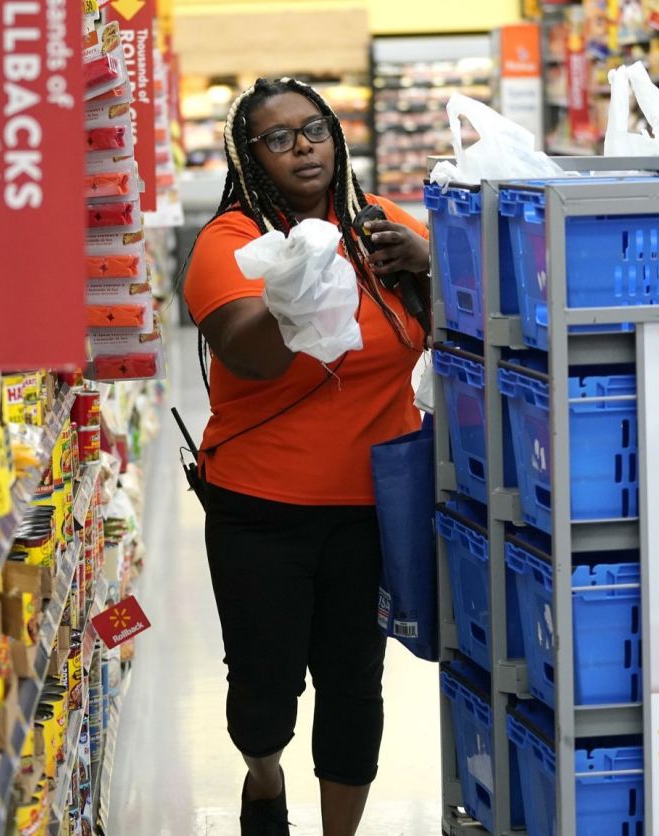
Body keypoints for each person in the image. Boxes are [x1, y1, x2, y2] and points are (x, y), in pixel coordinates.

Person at [181, 77, 431, 836]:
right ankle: (263, 774)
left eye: (314, 129)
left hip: (374, 506)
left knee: (356, 683)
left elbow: (469, 327)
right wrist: (293, 293)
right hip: (261, 509)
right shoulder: (229, 243)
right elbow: (249, 355)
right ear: (250, 157)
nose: (304, 147)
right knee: (265, 689)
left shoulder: (383, 225)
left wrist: (428, 262)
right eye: (279, 137)